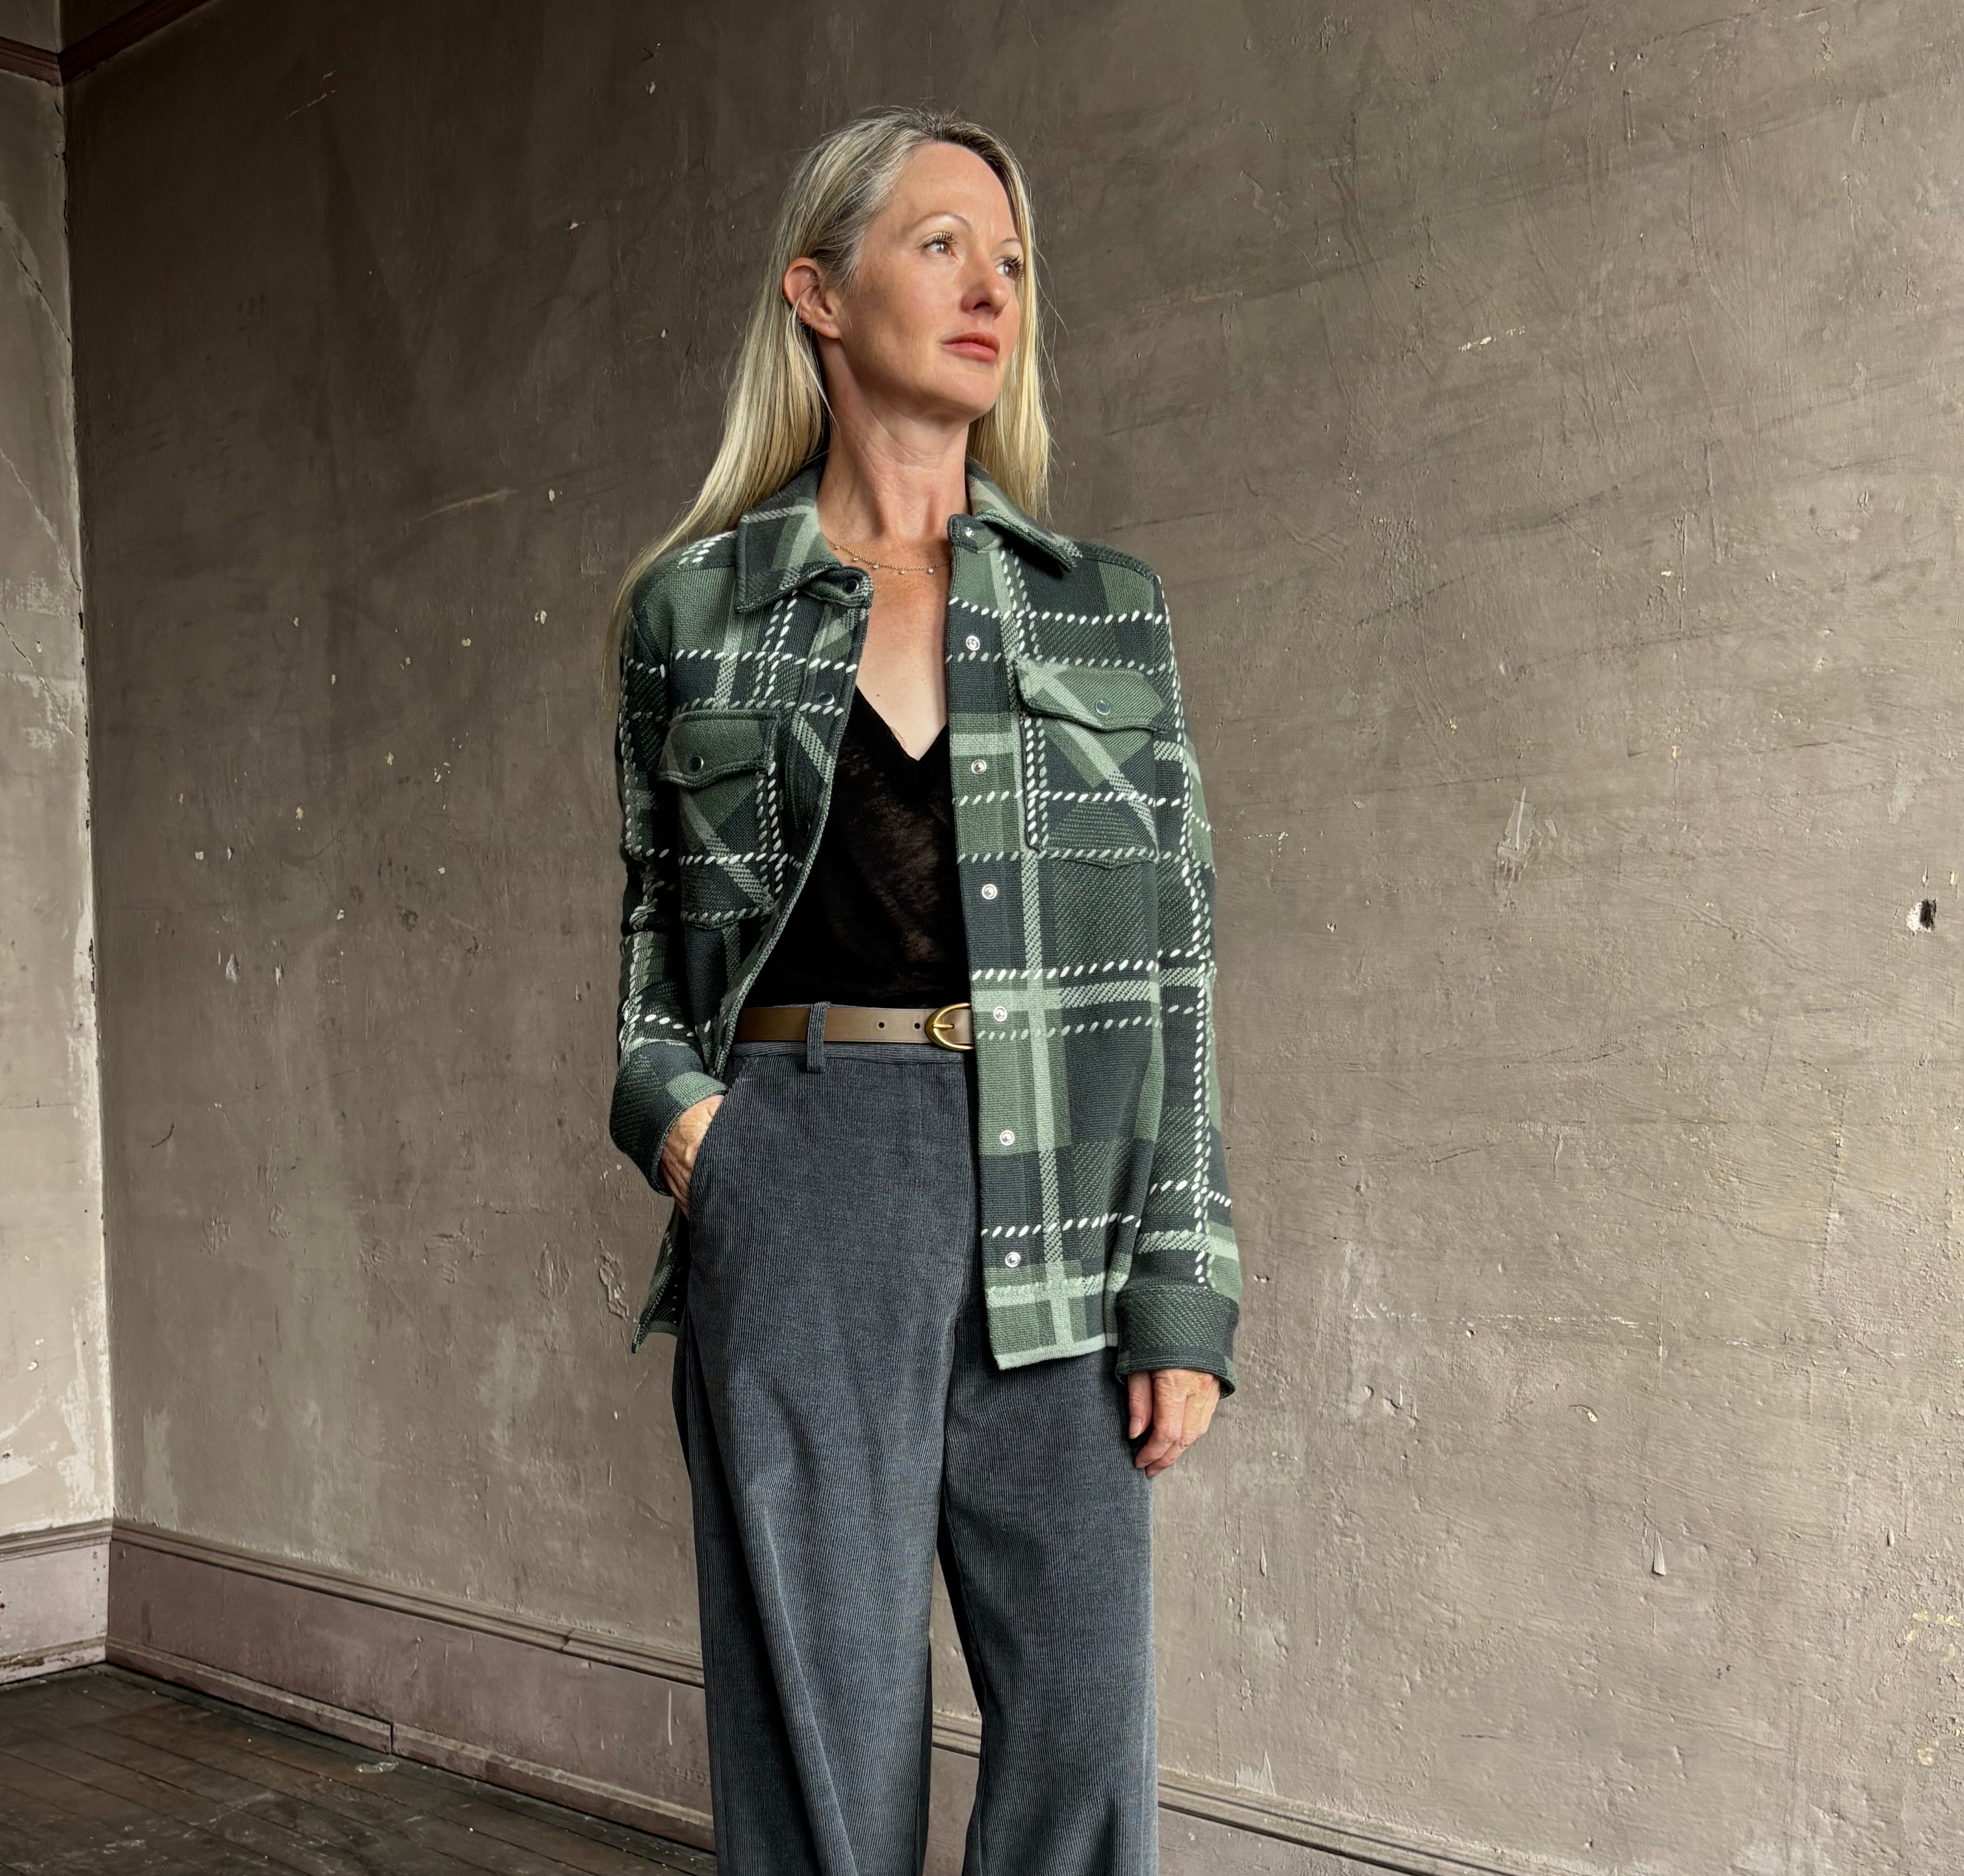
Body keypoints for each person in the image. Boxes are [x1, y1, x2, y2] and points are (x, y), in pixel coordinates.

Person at [603, 103, 1239, 1876]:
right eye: (941, 243)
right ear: (819, 289)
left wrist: (1182, 1286)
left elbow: (1177, 964)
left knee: (1080, 1740)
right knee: (823, 1738)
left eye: (1013, 258)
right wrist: (695, 1138)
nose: (992, 287)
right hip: (800, 1172)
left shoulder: (1104, 610)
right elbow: (649, 957)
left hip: (1062, 1183)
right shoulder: (697, 613)